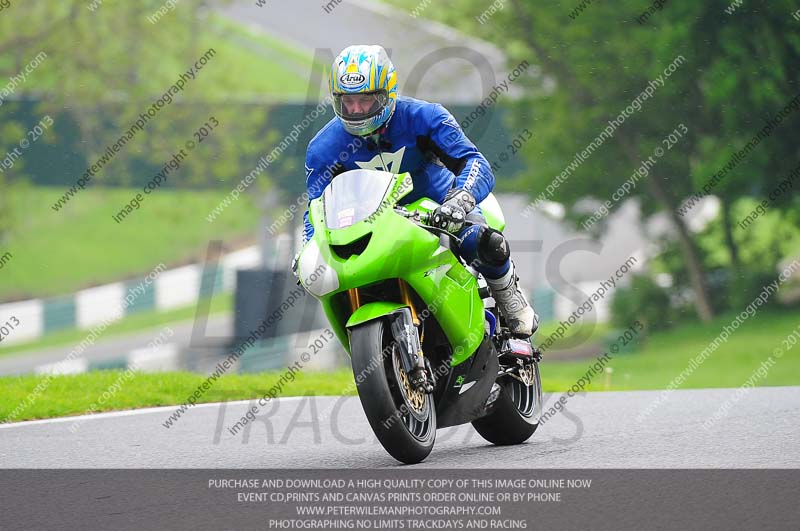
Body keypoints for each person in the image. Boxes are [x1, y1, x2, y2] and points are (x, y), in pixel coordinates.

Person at [301, 44, 537, 337]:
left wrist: (460, 200)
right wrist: (309, 248)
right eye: (347, 101)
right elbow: (316, 208)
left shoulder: (426, 117)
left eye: (366, 100)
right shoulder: (323, 148)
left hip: (438, 209)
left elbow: (474, 162)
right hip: (373, 224)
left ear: (387, 93)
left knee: (484, 241)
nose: (357, 110)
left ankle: (509, 297)